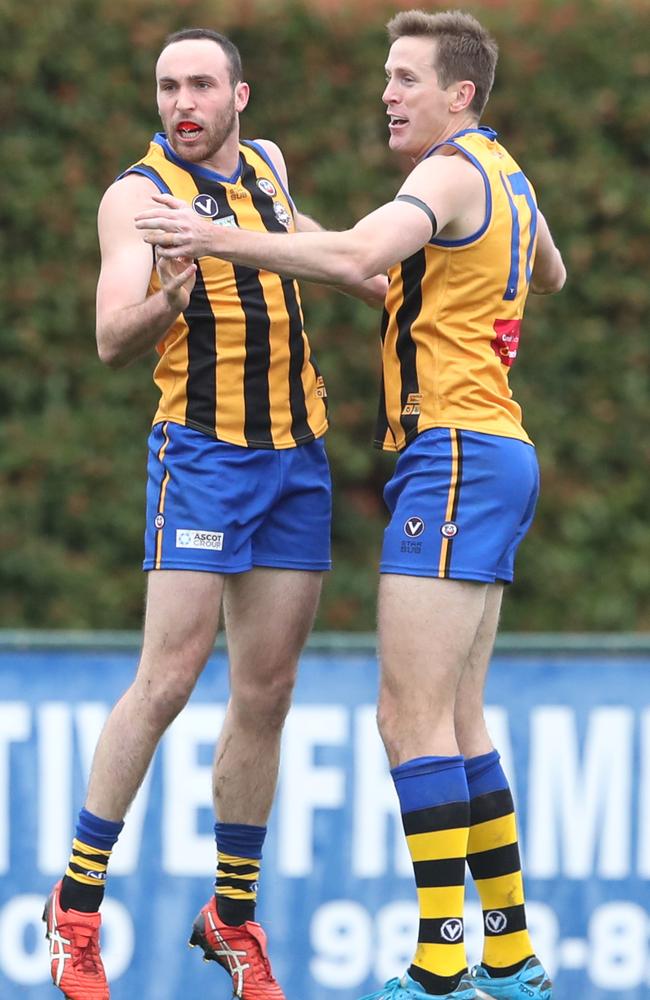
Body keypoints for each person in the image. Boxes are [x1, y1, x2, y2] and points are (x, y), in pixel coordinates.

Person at [136, 9, 566, 1000]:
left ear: (457, 96)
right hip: (490, 450)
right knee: (458, 718)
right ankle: (507, 956)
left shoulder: (447, 173)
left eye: (404, 78)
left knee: (405, 718)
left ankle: (435, 967)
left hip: (452, 454)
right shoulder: (503, 173)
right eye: (385, 74)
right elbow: (539, 263)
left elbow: (355, 259)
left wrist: (215, 233)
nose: (386, 92)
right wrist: (496, 303)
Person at [42, 27, 386, 1000]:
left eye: (199, 85)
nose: (180, 102)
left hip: (296, 459)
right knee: (167, 679)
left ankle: (231, 918)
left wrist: (392, 272)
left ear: (241, 95)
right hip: (200, 458)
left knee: (266, 692)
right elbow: (111, 336)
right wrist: (166, 300)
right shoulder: (136, 197)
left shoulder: (268, 168)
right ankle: (74, 906)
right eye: (166, 86)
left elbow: (321, 250)